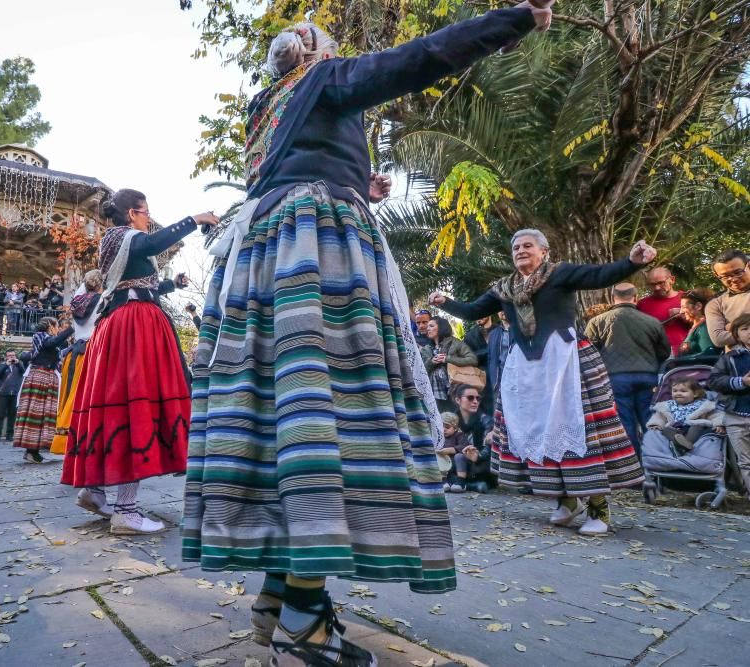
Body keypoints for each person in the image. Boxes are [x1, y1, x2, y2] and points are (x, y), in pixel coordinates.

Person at [184, 4, 555, 664]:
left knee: (288, 417)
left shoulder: (268, 106)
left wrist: (357, 178)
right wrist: (515, 18)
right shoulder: (325, 80)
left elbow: (302, 161)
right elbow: (416, 60)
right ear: (317, 53)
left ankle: (286, 600)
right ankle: (302, 619)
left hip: (264, 253)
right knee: (333, 409)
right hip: (316, 255)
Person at [431, 229, 655, 537]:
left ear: (544, 251)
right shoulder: (504, 289)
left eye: (527, 246)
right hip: (528, 369)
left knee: (579, 431)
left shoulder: (560, 275)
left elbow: (600, 275)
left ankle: (598, 509)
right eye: (516, 247)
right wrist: (446, 302)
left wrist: (632, 262)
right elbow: (472, 310)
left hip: (565, 362)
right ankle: (566, 502)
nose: (521, 250)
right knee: (539, 432)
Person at [62, 190, 218, 534]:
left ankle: (95, 491)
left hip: (120, 325)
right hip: (135, 327)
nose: (149, 219)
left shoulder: (117, 241)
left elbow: (135, 283)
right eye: (146, 213)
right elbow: (151, 245)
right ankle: (126, 511)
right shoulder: (125, 236)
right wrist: (195, 219)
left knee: (116, 407)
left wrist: (169, 285)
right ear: (132, 214)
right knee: (138, 407)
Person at [584, 283, 671, 451]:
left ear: (612, 298)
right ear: (636, 298)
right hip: (648, 377)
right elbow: (664, 352)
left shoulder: (597, 322)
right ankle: (656, 461)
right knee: (650, 420)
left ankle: (633, 464)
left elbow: (589, 353)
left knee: (624, 422)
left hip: (614, 378)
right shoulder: (652, 322)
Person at [51, 269, 102, 457]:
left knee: (70, 395)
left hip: (74, 354)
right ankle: (84, 440)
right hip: (92, 351)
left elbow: (82, 289)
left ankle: (66, 440)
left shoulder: (77, 302)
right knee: (85, 397)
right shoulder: (103, 301)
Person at [13, 316, 72, 463]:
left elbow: (57, 351)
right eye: (57, 325)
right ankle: (31, 450)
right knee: (37, 413)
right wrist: (72, 328)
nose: (58, 329)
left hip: (47, 378)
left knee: (43, 415)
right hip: (40, 377)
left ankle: (34, 450)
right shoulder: (40, 336)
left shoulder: (49, 343)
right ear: (50, 326)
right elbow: (52, 343)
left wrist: (72, 346)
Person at [707, 312, 750, 496]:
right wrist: (741, 382)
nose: (749, 332)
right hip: (736, 416)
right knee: (746, 461)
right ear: (736, 334)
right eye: (745, 329)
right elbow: (714, 381)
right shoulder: (730, 358)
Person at [646, 377, 724, 453]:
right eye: (675, 391)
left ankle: (686, 444)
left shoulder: (703, 406)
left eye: (683, 391)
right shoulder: (667, 406)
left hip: (694, 431)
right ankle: (681, 445)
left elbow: (716, 415)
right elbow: (659, 418)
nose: (678, 393)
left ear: (695, 393)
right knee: (666, 430)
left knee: (697, 425)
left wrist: (719, 425)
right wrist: (655, 425)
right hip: (676, 431)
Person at [421, 315, 479, 414]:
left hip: (454, 388)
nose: (428, 329)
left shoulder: (455, 343)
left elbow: (473, 359)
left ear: (441, 327)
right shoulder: (426, 348)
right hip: (434, 392)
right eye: (428, 327)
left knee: (457, 418)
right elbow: (421, 371)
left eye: (431, 326)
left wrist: (448, 359)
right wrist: (431, 362)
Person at [450, 383, 495, 493]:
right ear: (458, 400)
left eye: (478, 398)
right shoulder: (451, 420)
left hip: (479, 463)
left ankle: (463, 484)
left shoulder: (486, 419)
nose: (475, 401)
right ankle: (470, 485)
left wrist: (478, 456)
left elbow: (489, 446)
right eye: (470, 398)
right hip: (458, 460)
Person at [637, 266, 687, 355]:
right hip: (656, 356)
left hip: (687, 353)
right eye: (652, 284)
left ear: (672, 279)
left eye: (661, 283)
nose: (657, 288)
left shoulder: (688, 299)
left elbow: (704, 324)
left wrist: (686, 313)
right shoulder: (641, 304)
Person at [706, 249, 750, 351]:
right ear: (717, 276)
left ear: (749, 266)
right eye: (725, 276)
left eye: (738, 272)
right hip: (739, 363)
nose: (733, 279)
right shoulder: (715, 304)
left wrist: (733, 327)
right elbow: (718, 339)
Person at [674, 288, 721, 362]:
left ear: (698, 306)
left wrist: (679, 361)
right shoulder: (697, 326)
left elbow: (710, 355)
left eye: (683, 307)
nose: (680, 311)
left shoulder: (704, 328)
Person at [436, 412, 474, 493]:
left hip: (457, 466)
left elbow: (465, 446)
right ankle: (444, 481)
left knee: (459, 456)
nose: (444, 429)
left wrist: (452, 450)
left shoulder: (459, 435)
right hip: (446, 469)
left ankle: (461, 481)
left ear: (455, 428)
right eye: (441, 427)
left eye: (447, 427)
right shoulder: (439, 437)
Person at [464, 315, 494, 412]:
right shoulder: (470, 335)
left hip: (503, 378)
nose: (479, 315)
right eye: (477, 313)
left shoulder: (500, 330)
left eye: (482, 313)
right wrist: (488, 350)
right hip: (482, 383)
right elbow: (468, 358)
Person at [0, 349, 26, 441]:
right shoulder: (2, 365)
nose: (11, 357)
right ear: (6, 357)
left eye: (13, 355)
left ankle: (10, 435)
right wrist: (6, 365)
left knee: (12, 415)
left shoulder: (18, 365)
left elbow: (24, 372)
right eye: (9, 355)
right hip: (4, 393)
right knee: (0, 414)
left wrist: (18, 363)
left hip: (15, 393)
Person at [487, 310, 513, 401]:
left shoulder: (520, 330)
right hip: (498, 380)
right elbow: (490, 358)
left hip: (516, 378)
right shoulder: (493, 334)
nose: (503, 311)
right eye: (499, 310)